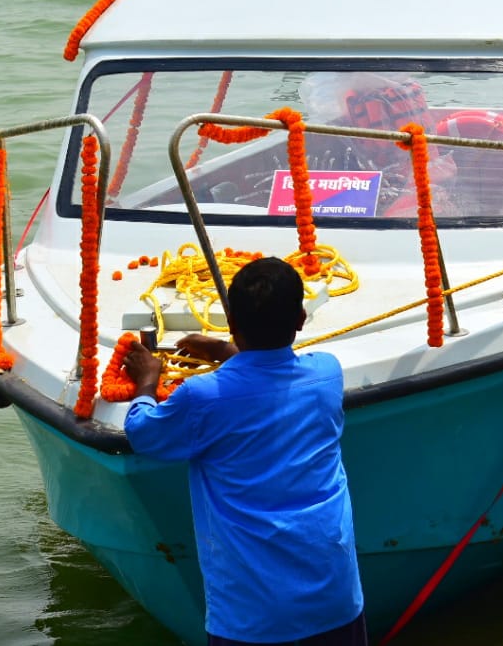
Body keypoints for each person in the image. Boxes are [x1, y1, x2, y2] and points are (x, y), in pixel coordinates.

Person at [122, 256, 366, 646]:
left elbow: (143, 434)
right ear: (301, 319)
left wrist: (147, 382)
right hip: (334, 602)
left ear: (232, 321)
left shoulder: (202, 398)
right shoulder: (326, 374)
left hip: (253, 618)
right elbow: (268, 386)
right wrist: (225, 352)